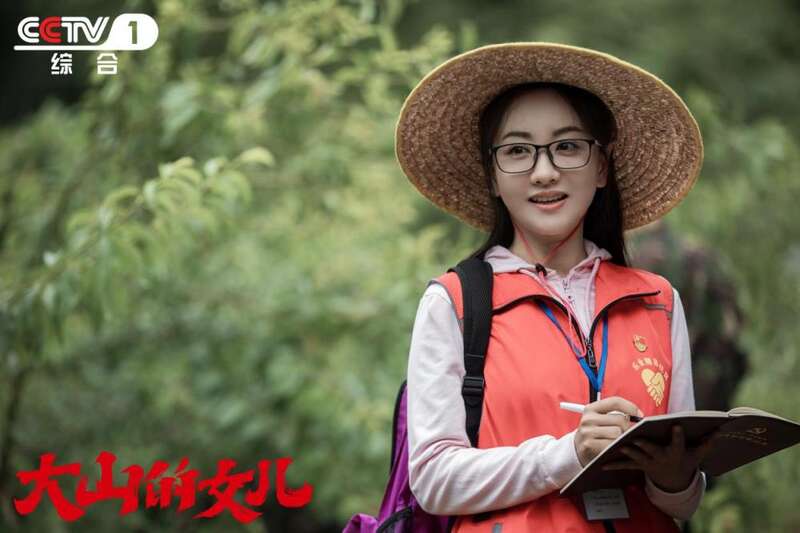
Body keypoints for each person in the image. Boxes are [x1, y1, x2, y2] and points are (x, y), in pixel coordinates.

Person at [395, 43, 714, 532]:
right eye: (517, 151)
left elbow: (682, 504)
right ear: (492, 177)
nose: (544, 172)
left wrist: (676, 481)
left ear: (601, 166)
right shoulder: (454, 303)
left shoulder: (658, 300)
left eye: (567, 146)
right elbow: (433, 480)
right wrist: (568, 454)